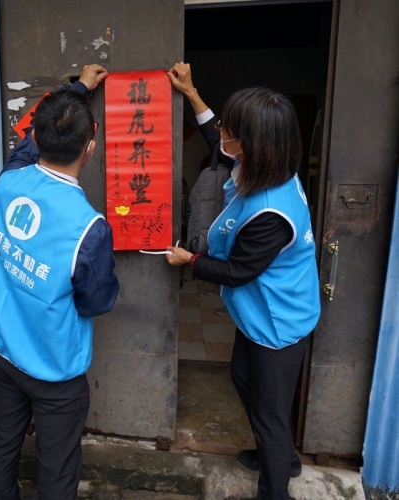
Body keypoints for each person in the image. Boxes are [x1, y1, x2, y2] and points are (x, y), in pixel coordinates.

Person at [166, 62, 321, 500]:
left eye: (231, 132)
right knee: (241, 376)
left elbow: (237, 271)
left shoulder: (271, 211)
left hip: (278, 322)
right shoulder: (266, 165)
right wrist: (192, 93)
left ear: (253, 146)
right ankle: (281, 454)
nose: (222, 136)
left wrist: (189, 259)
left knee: (271, 418)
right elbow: (219, 138)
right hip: (256, 313)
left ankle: (277, 480)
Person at [0, 64, 119, 500]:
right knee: (57, 470)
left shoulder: (8, 179)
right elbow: (97, 301)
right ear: (91, 148)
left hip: (4, 351)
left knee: (3, 443)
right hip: (54, 370)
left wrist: (77, 88)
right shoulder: (89, 228)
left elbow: (30, 138)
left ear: (37, 138)